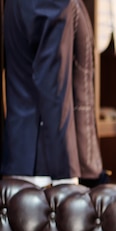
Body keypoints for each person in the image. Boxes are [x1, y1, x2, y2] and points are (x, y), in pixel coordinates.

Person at [2, 0, 104, 187]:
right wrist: (66, 176)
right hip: (47, 170)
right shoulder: (52, 3)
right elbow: (53, 88)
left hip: (19, 160)